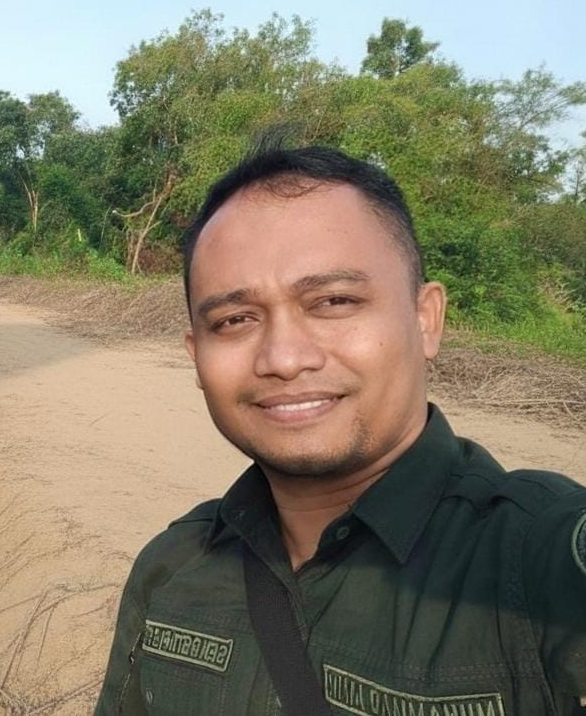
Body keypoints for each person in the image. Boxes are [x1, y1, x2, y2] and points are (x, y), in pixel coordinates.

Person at [94, 144, 586, 715]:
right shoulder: (172, 568)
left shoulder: (543, 563)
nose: (284, 358)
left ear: (426, 319)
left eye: (333, 301)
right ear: (196, 356)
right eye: (234, 320)